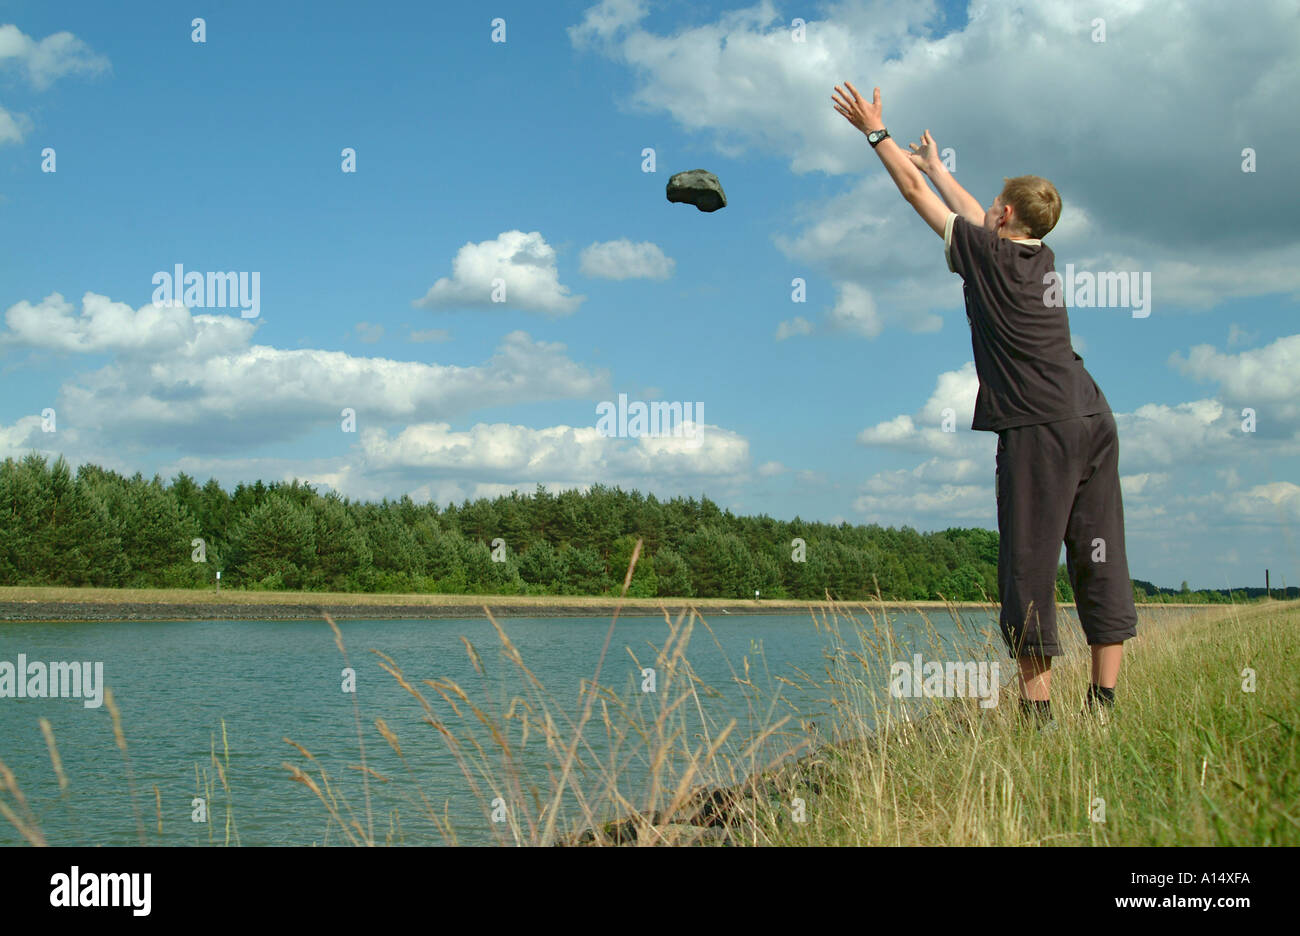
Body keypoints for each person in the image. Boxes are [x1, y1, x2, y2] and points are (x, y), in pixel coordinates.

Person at [831, 82, 1138, 729]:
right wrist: (940, 166)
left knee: (1028, 564)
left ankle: (1039, 718)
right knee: (1100, 552)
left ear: (1004, 217)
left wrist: (877, 136)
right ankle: (1104, 709)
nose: (987, 212)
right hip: (1093, 418)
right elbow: (971, 215)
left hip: (1039, 426)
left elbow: (918, 199)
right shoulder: (1039, 256)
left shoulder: (987, 258)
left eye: (994, 206)